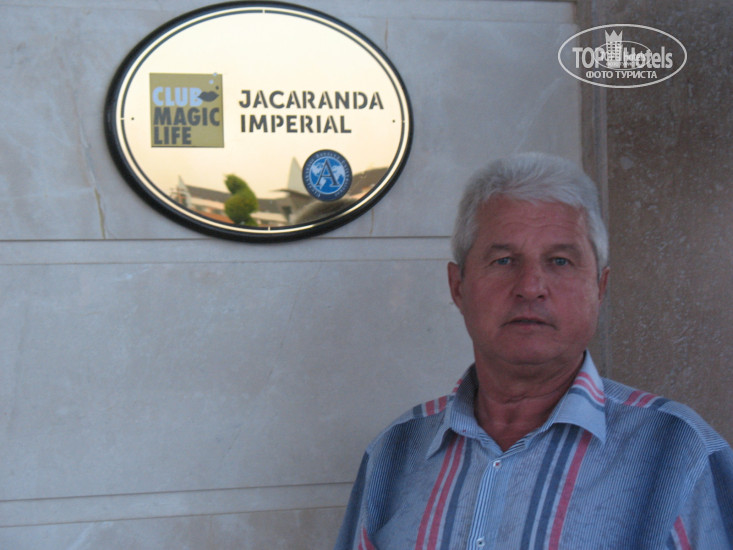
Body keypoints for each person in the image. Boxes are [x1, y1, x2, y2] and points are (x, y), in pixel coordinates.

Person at [334, 152, 733, 549]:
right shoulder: (394, 455)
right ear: (458, 286)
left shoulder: (678, 454)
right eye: (503, 260)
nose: (530, 287)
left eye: (560, 261)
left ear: (600, 287)